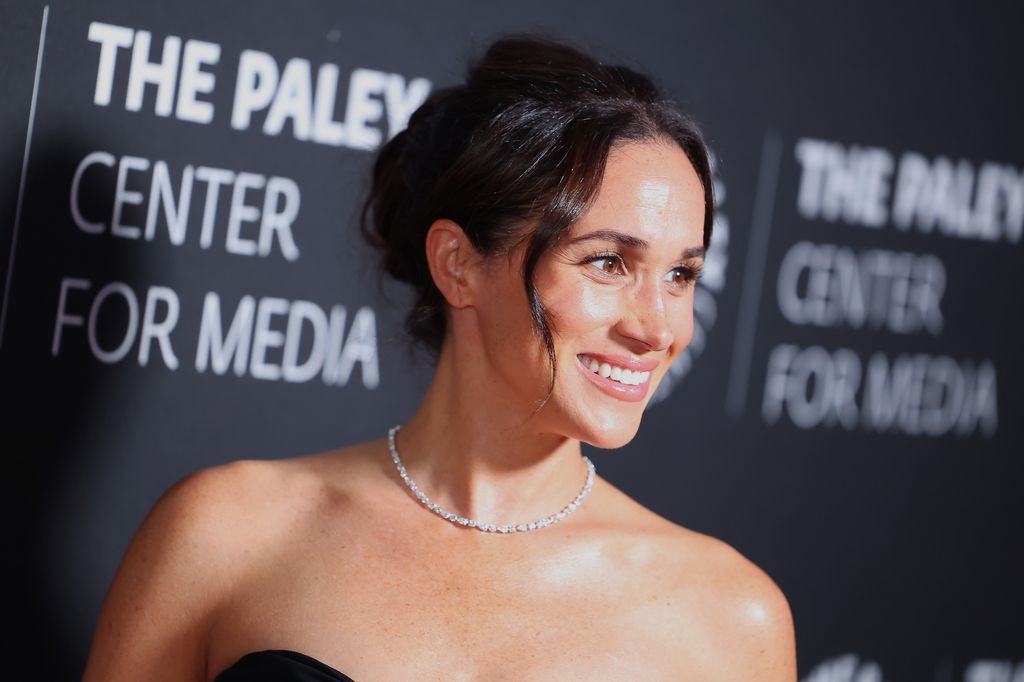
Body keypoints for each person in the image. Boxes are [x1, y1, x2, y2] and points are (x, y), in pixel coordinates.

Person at [82, 31, 797, 681]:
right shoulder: (223, 533)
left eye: (681, 275)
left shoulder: (732, 620)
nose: (658, 326)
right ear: (458, 264)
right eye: (608, 262)